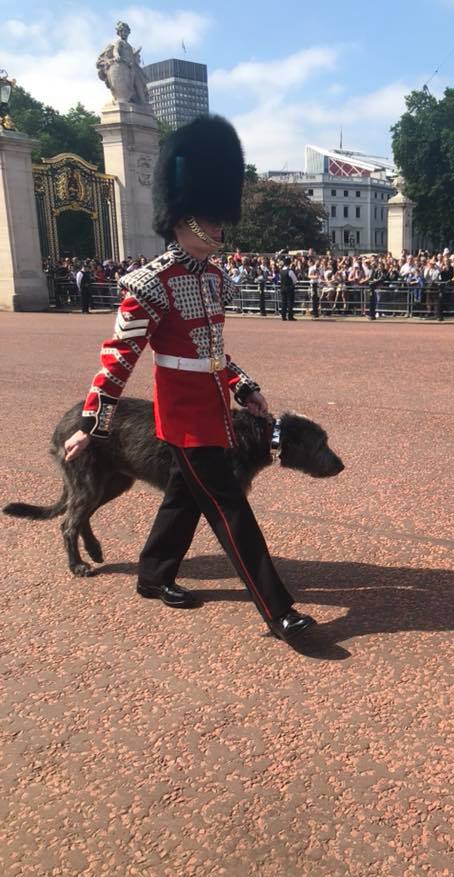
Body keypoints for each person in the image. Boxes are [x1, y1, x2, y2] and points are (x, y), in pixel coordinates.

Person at [62, 115, 316, 644]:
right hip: (182, 417)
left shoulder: (212, 277)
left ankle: (153, 576)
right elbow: (118, 359)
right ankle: (278, 609)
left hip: (214, 410)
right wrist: (91, 421)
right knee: (229, 509)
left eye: (221, 216)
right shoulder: (150, 283)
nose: (220, 226)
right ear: (180, 218)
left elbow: (214, 351)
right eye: (209, 216)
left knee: (182, 497)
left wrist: (243, 387)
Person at [279, 257, 297, 321]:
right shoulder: (290, 271)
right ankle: (290, 316)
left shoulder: (281, 271)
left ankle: (283, 316)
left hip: (282, 288)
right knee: (290, 302)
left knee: (283, 302)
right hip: (289, 288)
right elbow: (295, 280)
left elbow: (280, 280)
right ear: (289, 263)